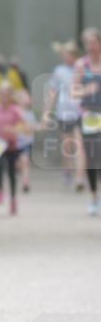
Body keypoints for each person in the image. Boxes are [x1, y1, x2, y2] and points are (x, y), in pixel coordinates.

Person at [44, 40, 86, 190]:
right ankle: (67, 169)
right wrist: (47, 112)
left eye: (69, 54)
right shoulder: (59, 71)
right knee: (67, 146)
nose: (66, 57)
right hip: (64, 113)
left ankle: (79, 178)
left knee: (80, 146)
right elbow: (52, 92)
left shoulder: (82, 68)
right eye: (64, 54)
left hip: (80, 112)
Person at [0, 81, 27, 215]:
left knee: (11, 172)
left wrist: (13, 129)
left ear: (10, 95)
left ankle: (13, 199)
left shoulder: (16, 110)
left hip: (11, 145)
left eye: (6, 94)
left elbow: (23, 127)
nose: (3, 96)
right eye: (1, 93)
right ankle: (0, 190)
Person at [73, 26, 101, 215]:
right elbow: (74, 91)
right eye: (87, 43)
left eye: (93, 42)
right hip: (89, 117)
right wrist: (87, 91)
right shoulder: (81, 65)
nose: (90, 46)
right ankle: (93, 197)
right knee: (92, 158)